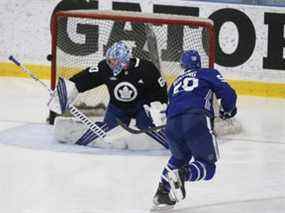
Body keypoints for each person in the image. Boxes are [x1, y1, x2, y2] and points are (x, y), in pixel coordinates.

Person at [151, 50, 237, 209]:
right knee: (208, 167)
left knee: (178, 157)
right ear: (199, 63)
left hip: (172, 125)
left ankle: (162, 192)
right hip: (196, 120)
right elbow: (228, 94)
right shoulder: (208, 73)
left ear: (183, 65)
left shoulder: (176, 82)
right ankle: (184, 174)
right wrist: (227, 110)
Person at [49, 41, 169, 148]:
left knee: (149, 130)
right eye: (109, 60)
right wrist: (65, 91)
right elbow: (84, 78)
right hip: (117, 107)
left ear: (124, 59)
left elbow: (160, 89)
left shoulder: (146, 68)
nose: (110, 63)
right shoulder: (104, 67)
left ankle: (171, 138)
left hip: (142, 106)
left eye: (113, 60)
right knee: (108, 134)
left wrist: (159, 106)